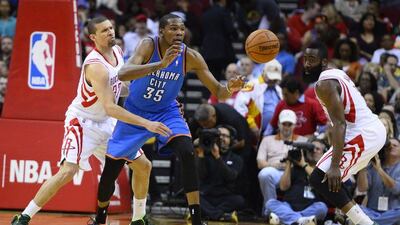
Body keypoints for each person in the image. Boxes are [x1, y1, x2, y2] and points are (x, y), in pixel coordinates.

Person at [11, 16, 170, 225]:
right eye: (104, 30)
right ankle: (24, 217)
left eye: (111, 27)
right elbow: (111, 107)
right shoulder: (95, 66)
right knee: (68, 171)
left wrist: (151, 97)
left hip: (107, 122)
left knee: (143, 166)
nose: (111, 32)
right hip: (83, 122)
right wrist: (146, 122)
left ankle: (138, 218)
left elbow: (120, 88)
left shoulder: (118, 52)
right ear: (93, 37)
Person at [91, 14, 245, 225]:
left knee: (187, 151)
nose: (179, 33)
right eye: (173, 29)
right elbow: (123, 74)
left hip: (166, 111)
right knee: (111, 170)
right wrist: (160, 64)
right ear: (161, 32)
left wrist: (230, 88)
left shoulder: (190, 56)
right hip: (135, 112)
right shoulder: (148, 45)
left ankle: (197, 219)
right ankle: (100, 219)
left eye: (182, 29)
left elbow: (219, 91)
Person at [304, 41, 386, 225]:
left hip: (364, 133)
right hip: (365, 131)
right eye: (305, 59)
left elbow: (340, 123)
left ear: (323, 62)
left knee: (322, 177)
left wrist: (334, 165)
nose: (307, 64)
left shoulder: (324, 84)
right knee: (325, 180)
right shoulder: (336, 73)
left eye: (312, 60)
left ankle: (365, 223)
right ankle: (357, 220)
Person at [265, 136, 329, 225]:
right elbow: (283, 187)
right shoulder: (297, 168)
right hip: (288, 206)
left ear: (323, 153)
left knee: (322, 208)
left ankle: (287, 219)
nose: (313, 151)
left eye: (317, 149)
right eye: (311, 148)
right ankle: (301, 220)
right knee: (270, 203)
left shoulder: (324, 170)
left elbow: (317, 178)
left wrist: (304, 164)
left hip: (311, 207)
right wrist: (288, 163)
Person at [257, 109, 308, 215]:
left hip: (295, 173)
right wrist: (275, 165)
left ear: (294, 125)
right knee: (265, 174)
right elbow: (260, 162)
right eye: (284, 124)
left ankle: (292, 211)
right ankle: (270, 209)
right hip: (275, 171)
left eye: (290, 124)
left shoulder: (303, 141)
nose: (286, 127)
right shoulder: (267, 139)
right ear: (278, 124)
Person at [196, 125, 245, 223]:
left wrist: (218, 157)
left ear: (231, 140)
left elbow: (231, 177)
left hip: (225, 197)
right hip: (207, 195)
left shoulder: (236, 158)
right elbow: (201, 176)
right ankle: (221, 215)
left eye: (225, 136)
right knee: (191, 196)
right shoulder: (205, 155)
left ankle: (207, 213)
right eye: (219, 136)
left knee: (240, 201)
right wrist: (200, 155)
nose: (222, 138)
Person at [357, 138, 400, 225]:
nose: (391, 147)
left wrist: (379, 170)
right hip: (371, 211)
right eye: (388, 145)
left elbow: (396, 189)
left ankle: (373, 222)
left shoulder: (378, 166)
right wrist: (362, 167)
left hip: (392, 212)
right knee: (356, 208)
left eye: (395, 145)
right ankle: (378, 222)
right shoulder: (372, 165)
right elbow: (362, 188)